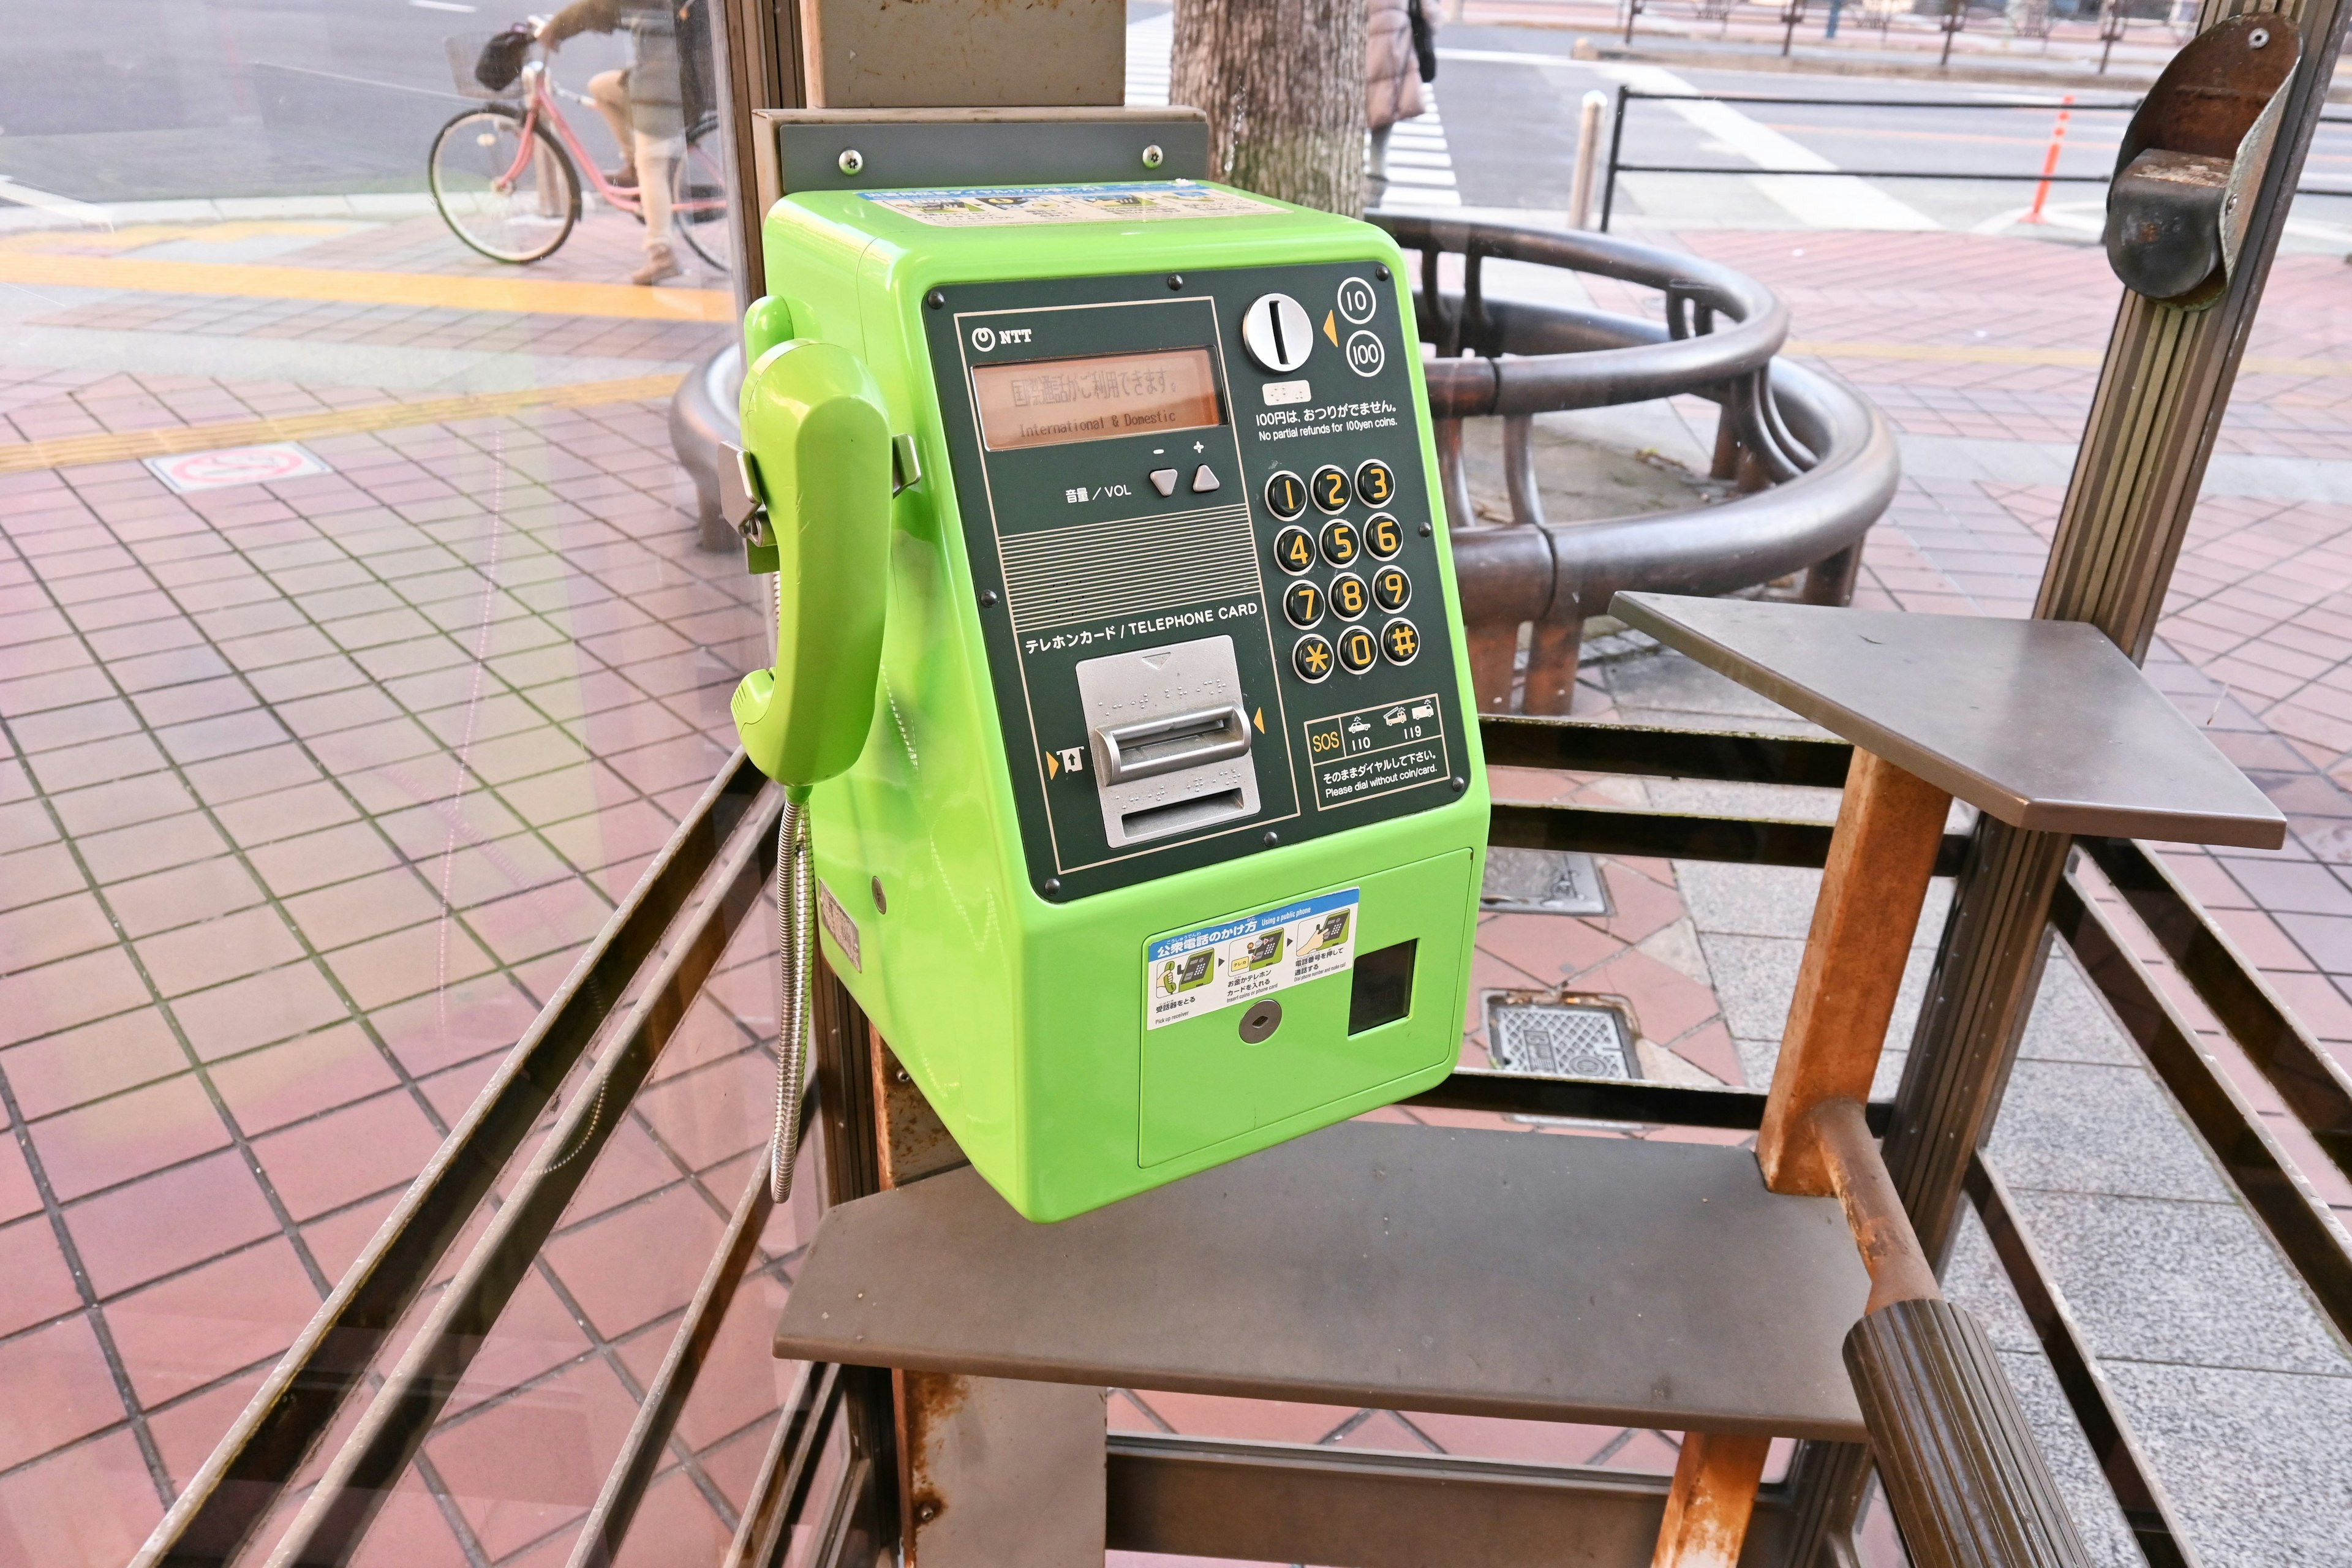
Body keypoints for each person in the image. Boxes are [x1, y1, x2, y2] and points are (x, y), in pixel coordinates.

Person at [537, 0, 688, 284]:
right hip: (667, 77)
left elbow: (602, 7)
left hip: (665, 86)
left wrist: (556, 28)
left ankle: (661, 253)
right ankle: (632, 164)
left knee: (652, 166)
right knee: (601, 87)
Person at [1367, 0, 1438, 209]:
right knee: (1378, 148)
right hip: (1391, 67)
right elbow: (1432, 17)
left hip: (1355, 67)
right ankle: (1372, 210)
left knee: (1345, 144)